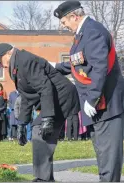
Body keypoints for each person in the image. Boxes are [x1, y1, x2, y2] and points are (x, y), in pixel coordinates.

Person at [52, 1, 124, 181]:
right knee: (103, 156)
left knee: (108, 158)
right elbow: (81, 61)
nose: (64, 26)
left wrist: (92, 99)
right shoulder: (84, 34)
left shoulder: (92, 32)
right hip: (98, 107)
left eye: (64, 22)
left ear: (74, 17)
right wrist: (57, 66)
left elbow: (99, 67)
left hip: (105, 105)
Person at [0, 43, 80, 182]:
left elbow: (45, 87)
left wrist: (48, 118)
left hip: (62, 96)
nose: (0, 66)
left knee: (40, 130)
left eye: (0, 61)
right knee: (40, 131)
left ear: (9, 53)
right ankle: (44, 178)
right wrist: (22, 123)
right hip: (54, 98)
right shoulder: (16, 66)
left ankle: (43, 179)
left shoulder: (25, 60)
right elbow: (27, 96)